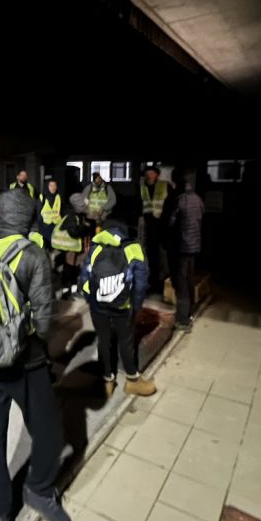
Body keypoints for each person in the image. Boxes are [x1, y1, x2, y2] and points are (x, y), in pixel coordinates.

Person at [0, 190, 71, 521]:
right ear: (27, 219)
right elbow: (44, 322)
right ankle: (38, 490)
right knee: (49, 431)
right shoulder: (32, 254)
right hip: (27, 362)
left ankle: (2, 515)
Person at [80, 220, 157, 398]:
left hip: (98, 306)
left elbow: (84, 277)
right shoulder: (133, 248)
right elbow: (141, 282)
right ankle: (132, 381)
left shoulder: (96, 247)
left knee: (104, 340)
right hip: (124, 306)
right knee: (126, 341)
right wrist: (135, 306)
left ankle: (107, 381)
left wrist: (92, 301)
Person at [170, 171, 205, 329]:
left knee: (182, 281)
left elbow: (171, 222)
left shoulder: (181, 200)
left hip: (183, 245)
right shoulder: (198, 199)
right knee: (190, 278)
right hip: (195, 245)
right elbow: (201, 217)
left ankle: (183, 319)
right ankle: (190, 311)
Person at [51, 194, 93, 299]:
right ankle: (66, 293)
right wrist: (85, 228)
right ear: (79, 206)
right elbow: (73, 232)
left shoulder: (76, 215)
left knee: (72, 271)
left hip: (72, 250)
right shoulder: (71, 217)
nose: (86, 208)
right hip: (69, 250)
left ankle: (72, 291)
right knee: (69, 271)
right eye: (83, 206)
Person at [140, 164, 170, 291]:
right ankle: (153, 281)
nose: (149, 176)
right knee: (151, 252)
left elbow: (169, 203)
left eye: (152, 173)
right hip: (150, 224)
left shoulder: (164, 185)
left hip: (162, 223)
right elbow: (141, 203)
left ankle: (164, 280)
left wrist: (167, 220)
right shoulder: (143, 187)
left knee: (163, 252)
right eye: (147, 174)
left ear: (157, 174)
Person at [38, 178, 63, 255]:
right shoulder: (42, 197)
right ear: (47, 186)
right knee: (46, 247)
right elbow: (38, 212)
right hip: (45, 226)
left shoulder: (58, 197)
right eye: (51, 185)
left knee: (56, 247)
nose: (53, 188)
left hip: (56, 225)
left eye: (55, 185)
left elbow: (61, 210)